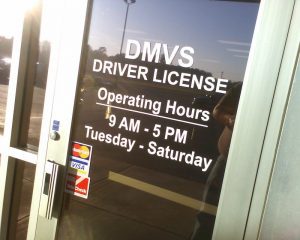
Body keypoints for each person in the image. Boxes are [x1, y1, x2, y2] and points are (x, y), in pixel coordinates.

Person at [190, 82, 242, 240]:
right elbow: (218, 111)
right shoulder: (244, 86)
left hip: (263, 169)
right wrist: (231, 120)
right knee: (208, 212)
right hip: (227, 160)